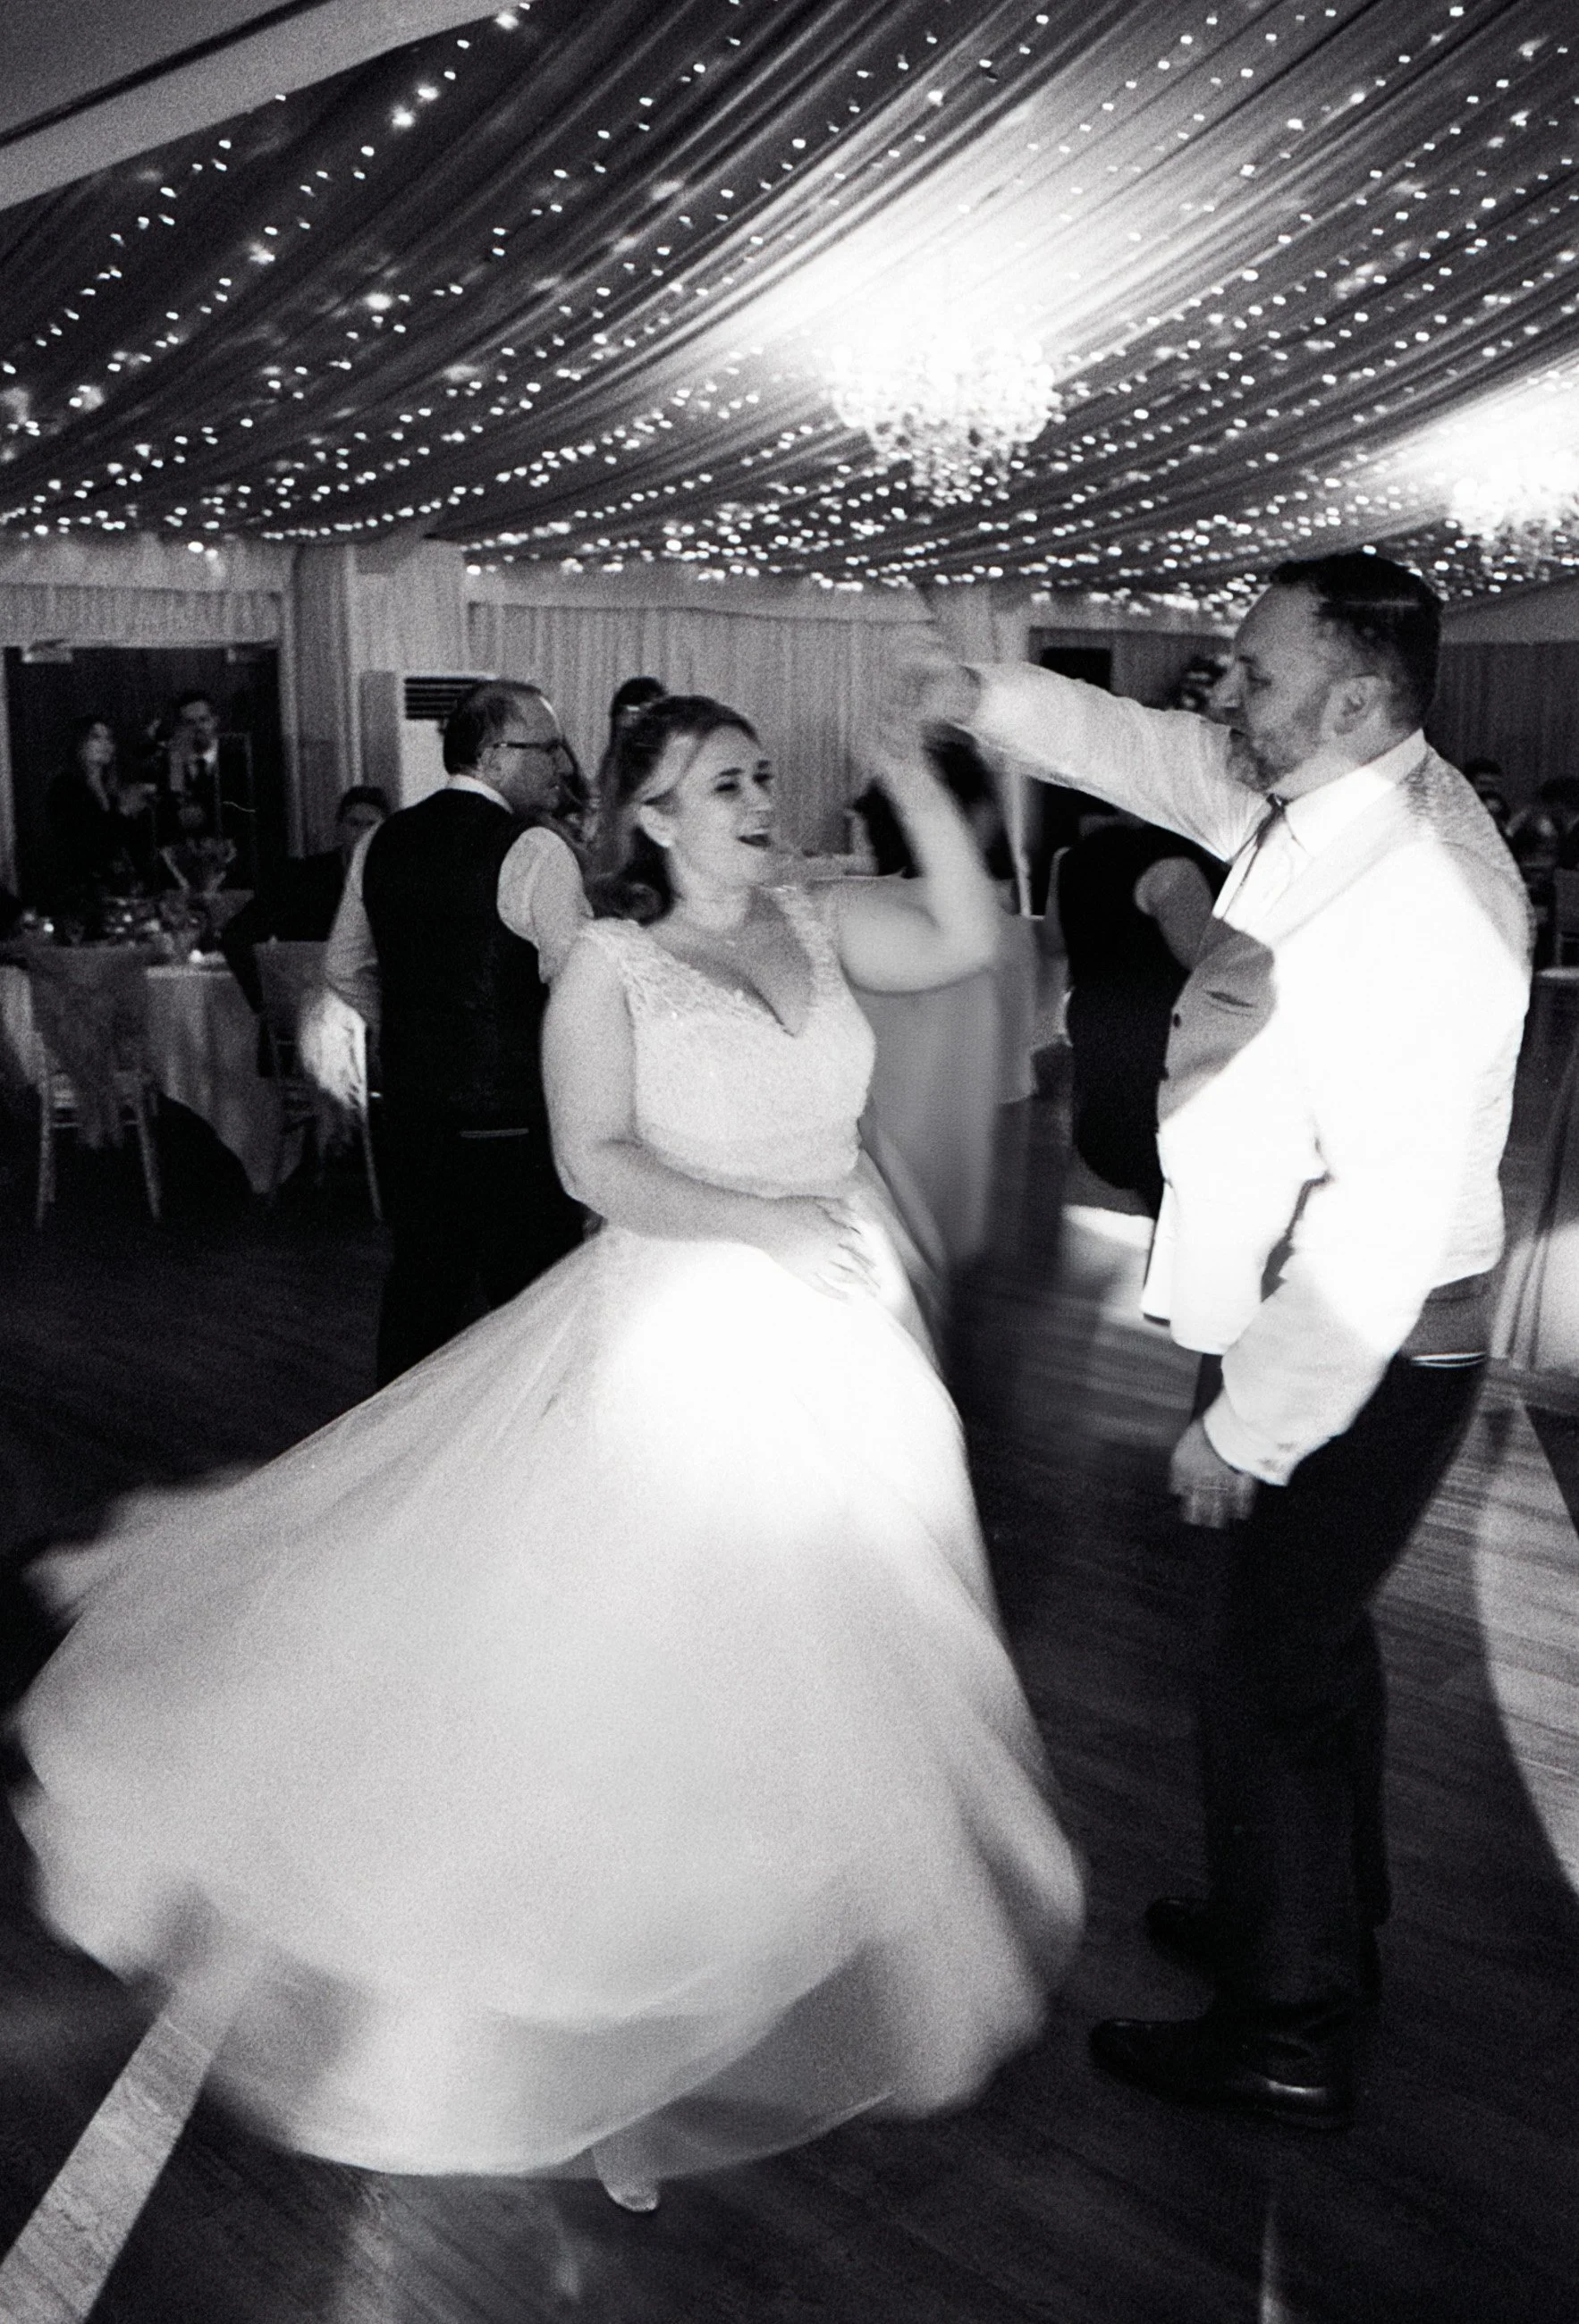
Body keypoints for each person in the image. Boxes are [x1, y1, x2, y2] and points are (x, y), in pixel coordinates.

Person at [13, 691, 1083, 2202]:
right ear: (648, 815)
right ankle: (609, 2046)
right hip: (692, 1330)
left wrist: (917, 787)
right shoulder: (613, 964)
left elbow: (970, 945)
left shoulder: (818, 917)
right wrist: (761, 1225)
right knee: (662, 1678)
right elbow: (596, 1162)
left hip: (849, 1338)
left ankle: (756, 1957)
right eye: (724, 782)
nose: (759, 799)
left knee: (826, 1666)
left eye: (763, 774)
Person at [909, 552, 1531, 2127]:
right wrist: (988, 695)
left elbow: (1382, 1235)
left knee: (1259, 1670)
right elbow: (1156, 753)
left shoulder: (1421, 897)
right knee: (1306, 1652)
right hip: (1302, 1322)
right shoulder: (1314, 798)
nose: (1221, 697)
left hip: (1366, 1349)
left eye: (1251, 672)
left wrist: (1246, 1424)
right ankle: (1307, 1916)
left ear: (1358, 694)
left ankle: (1290, 2022)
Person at [324, 681, 590, 1385]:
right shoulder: (536, 850)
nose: (561, 766)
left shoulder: (382, 840)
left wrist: (408, 1027)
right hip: (516, 1120)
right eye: (549, 747)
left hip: (415, 1114)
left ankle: (398, 1466)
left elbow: (343, 968)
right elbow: (580, 992)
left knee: (421, 1293)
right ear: (496, 754)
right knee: (538, 1309)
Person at [1053, 818, 1220, 1217]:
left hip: (1097, 1027)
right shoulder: (1171, 868)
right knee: (1163, 1194)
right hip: (1154, 1043)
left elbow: (1052, 943)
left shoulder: (1075, 858)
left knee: (1111, 1164)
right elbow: (1211, 963)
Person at [220, 785, 388, 1015]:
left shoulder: (398, 882)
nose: (362, 834)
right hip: (311, 1009)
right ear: (339, 828)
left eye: (371, 825)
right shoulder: (303, 878)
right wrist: (265, 999)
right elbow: (237, 934)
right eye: (354, 824)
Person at [42, 716, 156, 917]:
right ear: (78, 745)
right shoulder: (65, 787)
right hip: (80, 891)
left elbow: (124, 841)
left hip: (118, 889)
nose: (106, 744)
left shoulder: (112, 791)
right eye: (96, 737)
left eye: (109, 738)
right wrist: (123, 812)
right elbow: (85, 842)